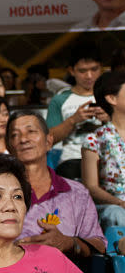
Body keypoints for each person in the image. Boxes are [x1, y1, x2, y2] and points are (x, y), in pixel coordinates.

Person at [0, 111, 107, 257]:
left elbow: (99, 245)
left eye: (31, 131)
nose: (23, 139)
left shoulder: (75, 192)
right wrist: (12, 251)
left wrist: (69, 243)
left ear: (48, 141)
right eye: (15, 135)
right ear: (9, 147)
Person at [47, 44, 107, 180]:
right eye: (82, 71)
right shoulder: (60, 100)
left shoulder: (112, 96)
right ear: (71, 71)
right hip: (72, 161)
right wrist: (73, 120)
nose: (89, 75)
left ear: (101, 68)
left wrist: (108, 120)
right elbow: (48, 139)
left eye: (94, 69)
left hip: (109, 159)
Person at [82, 70, 125, 228]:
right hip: (117, 207)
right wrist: (120, 203)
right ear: (111, 98)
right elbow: (91, 187)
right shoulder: (95, 140)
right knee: (115, 214)